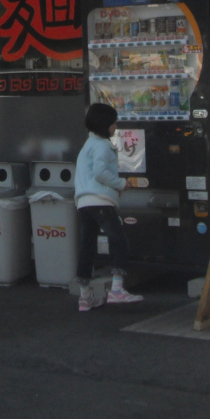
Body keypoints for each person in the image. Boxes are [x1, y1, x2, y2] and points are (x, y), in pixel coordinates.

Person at [73, 102, 143, 311]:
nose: (115, 127)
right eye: (113, 123)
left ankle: (85, 296)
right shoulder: (103, 146)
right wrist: (121, 183)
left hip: (84, 203)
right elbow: (101, 173)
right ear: (104, 125)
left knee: (87, 247)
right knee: (119, 241)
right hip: (101, 201)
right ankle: (117, 289)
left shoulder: (87, 145)